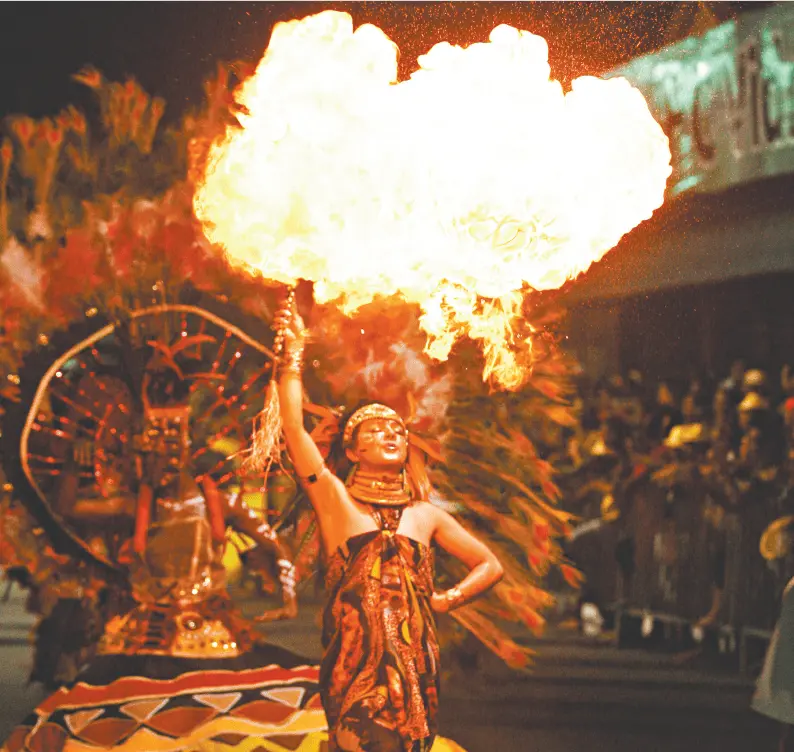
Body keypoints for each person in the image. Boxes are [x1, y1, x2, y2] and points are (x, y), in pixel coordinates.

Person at [274, 300, 504, 752]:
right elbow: (295, 431)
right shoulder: (336, 501)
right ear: (353, 451)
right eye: (377, 430)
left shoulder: (426, 515)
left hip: (418, 664)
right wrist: (292, 356)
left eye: (397, 429)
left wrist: (446, 600)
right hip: (353, 663)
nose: (392, 434)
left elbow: (489, 565)